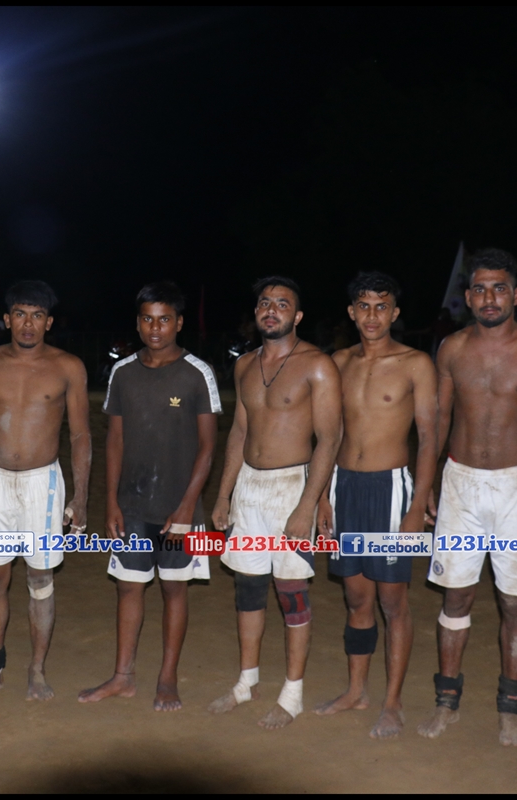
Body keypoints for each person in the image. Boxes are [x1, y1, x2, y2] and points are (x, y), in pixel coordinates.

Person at [419, 248, 517, 746]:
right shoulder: (452, 349)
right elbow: (438, 421)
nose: (489, 297)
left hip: (516, 487)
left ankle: (509, 709)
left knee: (514, 601)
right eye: (479, 289)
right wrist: (427, 483)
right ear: (467, 296)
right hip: (459, 484)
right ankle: (446, 701)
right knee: (456, 595)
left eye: (499, 288)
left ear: (516, 294)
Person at [78, 281, 220, 710]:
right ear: (138, 323)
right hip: (134, 506)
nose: (155, 328)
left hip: (180, 507)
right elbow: (115, 440)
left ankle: (167, 678)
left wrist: (187, 507)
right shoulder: (123, 372)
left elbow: (208, 447)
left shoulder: (197, 373)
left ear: (179, 322)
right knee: (128, 587)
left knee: (174, 589)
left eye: (164, 320)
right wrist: (112, 501)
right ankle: (123, 677)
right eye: (147, 319)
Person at [209, 276, 342, 729]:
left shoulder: (317, 365)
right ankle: (247, 682)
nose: (272, 310)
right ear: (256, 312)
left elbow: (329, 439)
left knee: (291, 591)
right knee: (247, 587)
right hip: (249, 486)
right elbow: (239, 431)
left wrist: (309, 504)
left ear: (297, 316)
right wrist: (224, 493)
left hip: (292, 485)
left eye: (282, 304)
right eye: (265, 303)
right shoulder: (245, 365)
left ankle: (293, 694)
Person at [0, 280, 91, 702]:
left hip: (42, 486)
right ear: (7, 319)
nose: (28, 324)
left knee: (40, 578)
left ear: (48, 322)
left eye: (37, 316)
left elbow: (81, 435)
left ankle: (37, 670)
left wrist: (81, 496)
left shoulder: (68, 367)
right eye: (20, 314)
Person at [314, 271, 438, 739]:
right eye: (363, 306)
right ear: (351, 312)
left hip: (391, 491)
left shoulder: (415, 363)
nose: (372, 315)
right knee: (356, 597)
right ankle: (356, 691)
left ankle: (392, 702)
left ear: (395, 312)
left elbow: (429, 437)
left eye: (381, 306)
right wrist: (321, 494)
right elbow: (327, 434)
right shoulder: (337, 362)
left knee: (392, 599)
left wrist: (418, 504)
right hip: (344, 486)